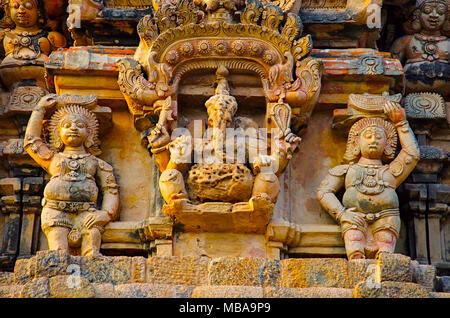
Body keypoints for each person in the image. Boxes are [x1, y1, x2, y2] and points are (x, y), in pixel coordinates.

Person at [316, 101, 420, 260]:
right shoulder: (347, 170)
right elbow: (324, 192)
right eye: (368, 136)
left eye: (379, 137)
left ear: (387, 144)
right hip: (354, 220)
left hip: (387, 218)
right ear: (356, 143)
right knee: (355, 249)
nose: (374, 140)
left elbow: (412, 154)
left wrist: (401, 123)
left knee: (385, 257)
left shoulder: (390, 172)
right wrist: (342, 214)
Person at [24, 94, 119, 257]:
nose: (73, 128)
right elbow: (31, 141)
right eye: (67, 125)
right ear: (57, 132)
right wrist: (39, 110)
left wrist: (105, 213)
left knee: (92, 249)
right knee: (58, 253)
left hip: (87, 214)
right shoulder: (52, 158)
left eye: (79, 125)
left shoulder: (96, 163)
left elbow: (111, 190)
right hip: (56, 212)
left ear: (89, 133)